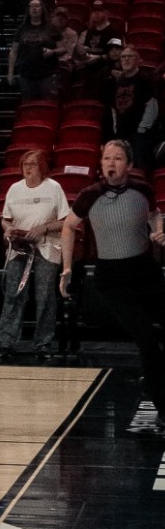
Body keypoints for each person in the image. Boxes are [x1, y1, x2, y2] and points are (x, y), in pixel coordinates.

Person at [61, 140, 165, 434]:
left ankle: (154, 377)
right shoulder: (90, 195)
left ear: (128, 165)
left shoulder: (142, 189)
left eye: (118, 158)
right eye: (107, 158)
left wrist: (158, 230)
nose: (112, 163)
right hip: (113, 279)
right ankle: (163, 407)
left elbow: (155, 213)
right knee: (146, 340)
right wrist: (66, 268)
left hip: (145, 272)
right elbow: (69, 226)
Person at [0, 150, 70, 361]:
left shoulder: (54, 188)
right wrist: (7, 229)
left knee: (45, 295)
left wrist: (44, 228)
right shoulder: (14, 189)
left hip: (46, 247)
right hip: (19, 248)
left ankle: (43, 343)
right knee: (13, 294)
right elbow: (6, 219)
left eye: (33, 164)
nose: (27, 168)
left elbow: (66, 221)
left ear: (42, 167)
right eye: (25, 164)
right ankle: (6, 342)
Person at [8, 0, 60, 101]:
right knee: (29, 107)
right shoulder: (21, 29)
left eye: (37, 6)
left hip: (47, 75)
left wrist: (52, 52)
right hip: (26, 75)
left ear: (42, 9)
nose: (34, 8)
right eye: (32, 6)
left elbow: (63, 49)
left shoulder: (52, 27)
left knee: (47, 106)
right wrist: (10, 73)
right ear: (28, 9)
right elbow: (14, 51)